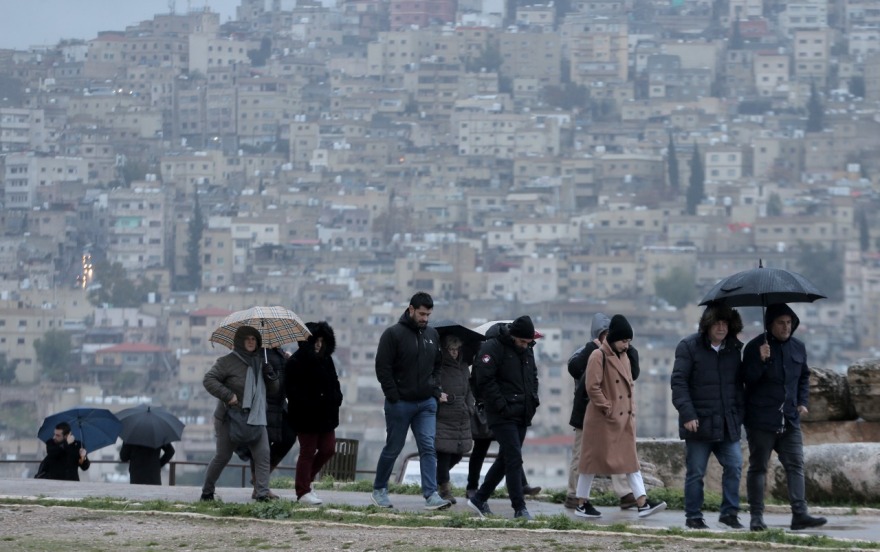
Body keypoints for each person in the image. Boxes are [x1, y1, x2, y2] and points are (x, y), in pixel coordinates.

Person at [742, 303, 827, 531]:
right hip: (761, 419)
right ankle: (756, 517)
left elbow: (803, 377)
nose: (786, 327)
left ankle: (800, 514)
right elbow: (747, 380)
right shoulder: (754, 347)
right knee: (758, 467)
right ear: (770, 324)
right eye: (781, 323)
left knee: (796, 465)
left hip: (789, 418)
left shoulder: (798, 348)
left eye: (789, 322)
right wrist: (761, 361)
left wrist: (802, 401)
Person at [574, 314, 666, 519]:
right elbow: (592, 386)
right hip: (602, 419)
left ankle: (642, 502)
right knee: (590, 462)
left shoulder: (624, 355)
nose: (627, 345)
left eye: (629, 341)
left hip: (623, 418)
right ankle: (582, 502)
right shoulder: (598, 356)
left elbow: (631, 380)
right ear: (614, 338)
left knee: (631, 461)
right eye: (624, 341)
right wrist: (606, 406)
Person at [371, 292, 451, 510]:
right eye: (422, 313)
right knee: (394, 447)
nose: (425, 318)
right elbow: (382, 368)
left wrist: (434, 390)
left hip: (426, 403)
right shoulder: (393, 334)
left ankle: (431, 495)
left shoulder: (432, 335)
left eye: (428, 314)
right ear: (411, 309)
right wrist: (394, 396)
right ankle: (379, 490)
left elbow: (437, 366)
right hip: (400, 404)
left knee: (428, 447)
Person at [671, 304, 745, 529]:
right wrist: (688, 414)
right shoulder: (689, 347)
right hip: (699, 424)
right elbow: (679, 383)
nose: (721, 328)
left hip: (726, 422)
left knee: (734, 465)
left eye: (725, 323)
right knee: (696, 473)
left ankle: (729, 513)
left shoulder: (733, 349)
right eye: (717, 323)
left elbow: (740, 385)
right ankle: (693, 516)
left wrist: (738, 415)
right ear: (708, 324)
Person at [466, 315, 540, 520]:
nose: (525, 346)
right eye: (522, 342)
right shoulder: (493, 347)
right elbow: (485, 380)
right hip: (501, 414)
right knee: (514, 458)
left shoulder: (527, 350)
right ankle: (519, 507)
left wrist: (533, 401)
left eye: (528, 342)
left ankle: (479, 498)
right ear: (513, 336)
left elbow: (532, 377)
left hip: (522, 411)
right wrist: (501, 406)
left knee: (505, 459)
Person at [565, 313, 641, 511]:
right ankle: (574, 494)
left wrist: (628, 348)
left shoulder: (622, 353)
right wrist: (593, 348)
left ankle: (626, 494)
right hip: (587, 412)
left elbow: (634, 373)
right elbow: (575, 369)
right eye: (604, 334)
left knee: (619, 453)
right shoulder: (590, 352)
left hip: (613, 413)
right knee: (583, 456)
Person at [200, 325, 279, 502]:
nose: (251, 342)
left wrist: (270, 375)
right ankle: (207, 492)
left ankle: (262, 493)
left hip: (256, 416)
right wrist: (228, 396)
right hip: (230, 417)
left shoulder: (261, 361)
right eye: (247, 339)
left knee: (263, 454)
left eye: (254, 339)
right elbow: (208, 379)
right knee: (222, 456)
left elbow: (273, 390)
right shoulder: (227, 361)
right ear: (240, 341)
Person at [286, 321, 343, 505]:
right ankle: (302, 491)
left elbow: (334, 382)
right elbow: (292, 392)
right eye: (315, 341)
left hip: (326, 415)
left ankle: (306, 481)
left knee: (329, 449)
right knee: (308, 451)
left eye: (321, 340)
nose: (318, 344)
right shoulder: (295, 362)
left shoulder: (327, 359)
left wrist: (336, 398)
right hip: (306, 417)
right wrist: (308, 404)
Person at [239, 346, 297, 499]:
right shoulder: (258, 353)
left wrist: (290, 361)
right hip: (263, 406)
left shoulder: (280, 353)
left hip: (279, 406)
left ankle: (259, 481)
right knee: (259, 446)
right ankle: (260, 486)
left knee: (288, 437)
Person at [434, 334, 474, 504]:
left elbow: (469, 389)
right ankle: (444, 489)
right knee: (444, 453)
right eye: (451, 349)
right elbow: (433, 386)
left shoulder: (464, 366)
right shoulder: (438, 366)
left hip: (461, 417)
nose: (454, 353)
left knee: (457, 454)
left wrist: (469, 407)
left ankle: (433, 479)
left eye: (457, 349)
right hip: (444, 416)